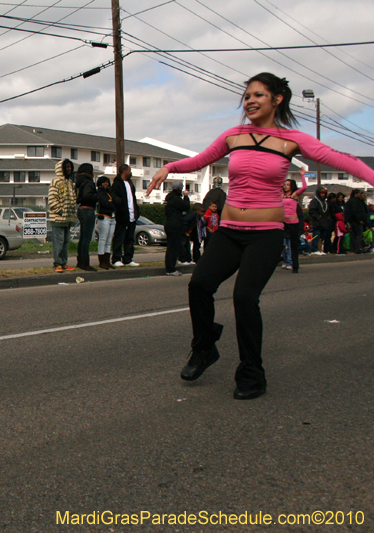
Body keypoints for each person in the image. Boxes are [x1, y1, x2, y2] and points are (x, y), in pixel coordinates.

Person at [146, 72, 374, 400]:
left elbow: (345, 161)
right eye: (247, 96)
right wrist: (170, 167)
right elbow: (199, 160)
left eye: (258, 95)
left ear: (277, 99)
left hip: (265, 235)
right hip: (230, 232)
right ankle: (204, 347)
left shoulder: (292, 140)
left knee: (244, 298)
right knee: (199, 285)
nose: (250, 101)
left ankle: (252, 373)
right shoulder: (233, 136)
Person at [48, 159, 77, 272]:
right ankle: (57, 263)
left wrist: (72, 212)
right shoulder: (55, 182)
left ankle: (64, 262)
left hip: (68, 219)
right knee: (58, 242)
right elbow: (52, 200)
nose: (69, 169)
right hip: (58, 218)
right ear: (61, 169)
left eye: (70, 167)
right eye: (67, 167)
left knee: (66, 242)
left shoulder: (70, 183)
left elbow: (73, 198)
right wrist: (60, 211)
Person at [111, 164, 140, 267]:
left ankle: (128, 258)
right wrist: (121, 210)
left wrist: (137, 211)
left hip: (132, 215)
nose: (130, 172)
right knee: (119, 237)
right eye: (129, 170)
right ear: (124, 171)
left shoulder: (130, 183)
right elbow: (116, 199)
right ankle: (116, 258)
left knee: (130, 238)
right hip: (122, 216)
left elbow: (133, 199)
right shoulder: (117, 184)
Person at [282, 168, 307, 272]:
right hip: (282, 222)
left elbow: (305, 187)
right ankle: (282, 260)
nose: (285, 186)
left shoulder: (295, 194)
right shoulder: (281, 194)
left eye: (288, 184)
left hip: (293, 223)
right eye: (285, 184)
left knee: (293, 245)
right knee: (278, 242)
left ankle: (295, 266)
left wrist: (302, 175)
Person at [163, 181, 190, 276]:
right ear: (179, 189)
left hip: (169, 224)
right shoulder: (175, 198)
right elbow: (186, 206)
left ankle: (170, 267)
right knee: (173, 248)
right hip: (174, 225)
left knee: (171, 247)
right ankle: (170, 269)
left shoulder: (169, 197)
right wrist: (186, 196)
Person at [75, 163, 97, 271]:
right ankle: (85, 263)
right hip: (88, 209)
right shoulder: (88, 182)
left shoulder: (79, 182)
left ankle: (80, 261)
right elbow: (88, 196)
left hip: (81, 209)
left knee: (82, 237)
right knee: (87, 238)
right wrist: (97, 196)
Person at [95, 176, 117, 269]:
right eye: (104, 182)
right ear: (100, 183)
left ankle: (107, 261)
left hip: (112, 218)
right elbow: (105, 203)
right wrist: (112, 202)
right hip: (104, 218)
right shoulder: (99, 193)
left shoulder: (110, 192)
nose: (106, 184)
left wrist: (113, 201)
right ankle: (101, 261)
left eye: (107, 182)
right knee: (103, 239)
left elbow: (117, 201)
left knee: (109, 240)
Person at [308, 187, 331, 255]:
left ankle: (320, 248)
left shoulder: (325, 202)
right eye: (321, 193)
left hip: (324, 223)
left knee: (322, 236)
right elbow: (311, 210)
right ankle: (314, 249)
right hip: (317, 223)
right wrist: (317, 217)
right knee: (316, 235)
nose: (323, 194)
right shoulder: (315, 201)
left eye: (324, 193)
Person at [346, 189, 368, 253]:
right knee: (358, 235)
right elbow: (354, 212)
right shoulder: (354, 201)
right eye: (359, 193)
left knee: (354, 236)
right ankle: (357, 249)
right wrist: (359, 220)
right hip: (355, 221)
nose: (360, 195)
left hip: (354, 221)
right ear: (356, 194)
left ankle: (353, 249)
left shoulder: (356, 201)